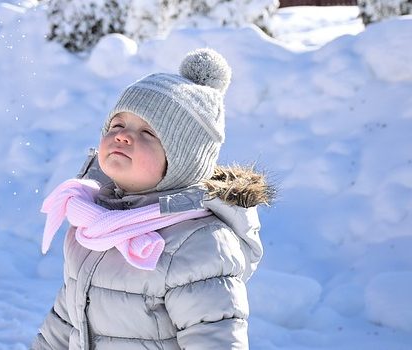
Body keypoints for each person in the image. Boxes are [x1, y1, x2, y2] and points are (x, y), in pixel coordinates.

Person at [32, 48, 273, 350]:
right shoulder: (96, 223)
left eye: (147, 132)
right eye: (117, 125)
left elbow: (214, 339)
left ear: (181, 160)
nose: (123, 136)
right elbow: (67, 319)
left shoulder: (199, 243)